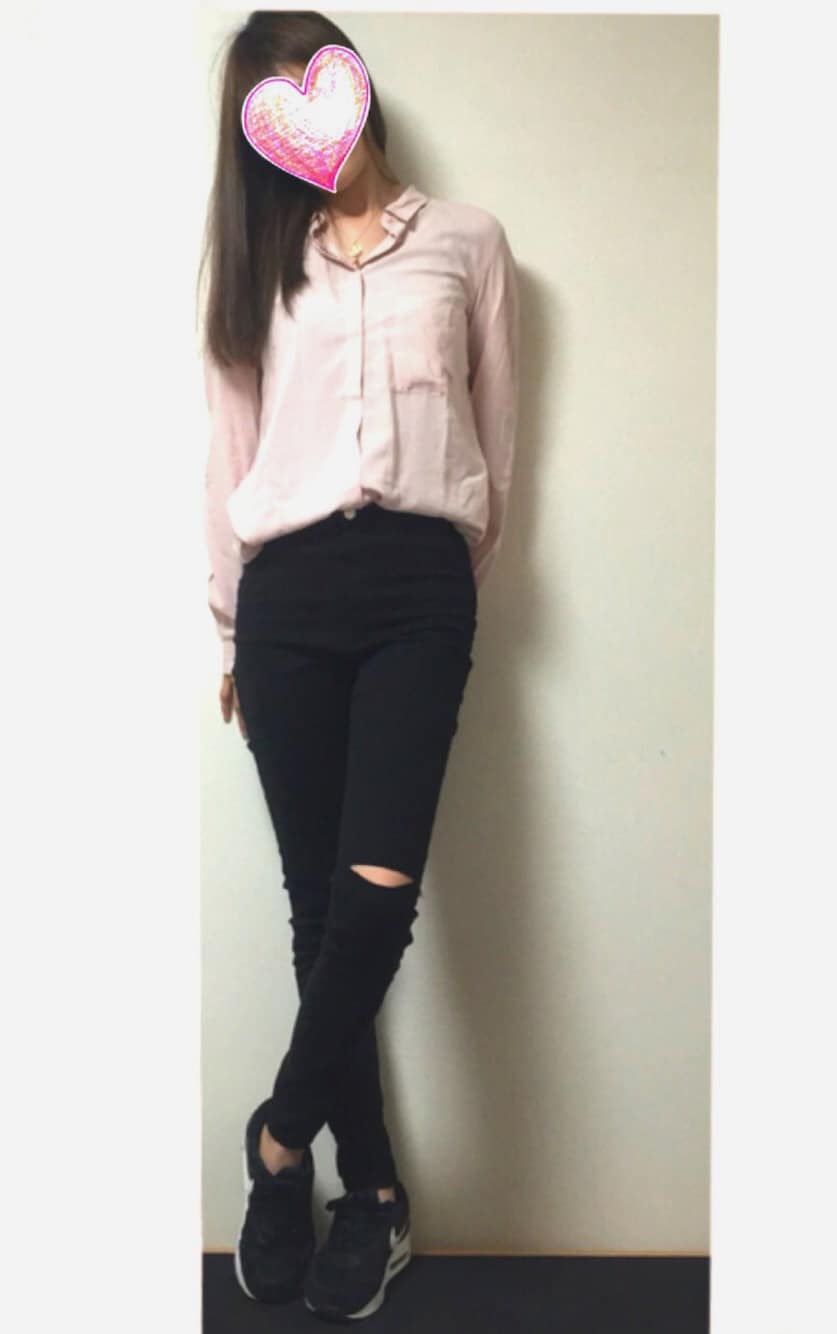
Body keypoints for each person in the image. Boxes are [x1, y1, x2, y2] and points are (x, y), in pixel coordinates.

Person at [200, 10, 519, 1322]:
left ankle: (280, 1139)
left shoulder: (469, 243)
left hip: (417, 589)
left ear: (356, 90)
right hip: (283, 598)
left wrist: (445, 591)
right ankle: (374, 1191)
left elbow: (498, 440)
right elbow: (227, 458)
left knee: (375, 897)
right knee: (317, 909)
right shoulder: (253, 273)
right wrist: (230, 628)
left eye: (312, 88)